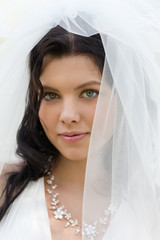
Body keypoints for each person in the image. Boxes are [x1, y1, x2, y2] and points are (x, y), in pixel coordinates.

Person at [0, 1, 160, 240]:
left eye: (88, 93)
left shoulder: (151, 203)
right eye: (50, 95)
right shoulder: (6, 189)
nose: (68, 116)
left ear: (124, 95)